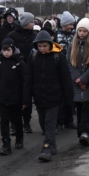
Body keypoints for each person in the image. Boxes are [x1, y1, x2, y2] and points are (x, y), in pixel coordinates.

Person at [24, 30, 73, 162]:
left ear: (50, 45)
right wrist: (27, 97)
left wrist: (69, 99)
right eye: (40, 46)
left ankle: (47, 147)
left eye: (45, 46)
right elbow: (29, 78)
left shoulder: (58, 57)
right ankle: (53, 145)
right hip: (39, 97)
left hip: (54, 97)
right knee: (43, 122)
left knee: (50, 123)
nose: (42, 49)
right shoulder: (33, 57)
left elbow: (66, 79)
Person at [0, 39, 26, 154]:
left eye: (8, 50)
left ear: (13, 49)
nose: (6, 52)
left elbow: (24, 81)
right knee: (4, 121)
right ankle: (6, 143)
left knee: (17, 120)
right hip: (3, 98)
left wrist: (25, 99)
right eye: (4, 50)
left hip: (16, 98)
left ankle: (19, 139)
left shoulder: (19, 63)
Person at [7, 12, 37, 134]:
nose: (33, 23)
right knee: (15, 98)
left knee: (27, 97)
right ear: (25, 23)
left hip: (30, 70)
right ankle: (14, 124)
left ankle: (27, 122)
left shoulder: (34, 36)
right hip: (15, 70)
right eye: (31, 22)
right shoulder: (12, 35)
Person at [70, 18, 89, 146]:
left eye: (84, 31)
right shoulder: (72, 45)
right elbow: (69, 63)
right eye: (79, 31)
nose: (81, 33)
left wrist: (84, 78)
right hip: (76, 82)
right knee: (79, 107)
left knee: (87, 106)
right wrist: (77, 78)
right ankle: (80, 131)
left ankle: (85, 132)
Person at [56, 11, 77, 130]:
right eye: (70, 24)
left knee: (69, 96)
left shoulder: (75, 35)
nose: (72, 27)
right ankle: (59, 121)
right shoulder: (56, 35)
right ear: (64, 24)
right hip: (59, 69)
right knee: (59, 97)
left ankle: (69, 120)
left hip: (71, 68)